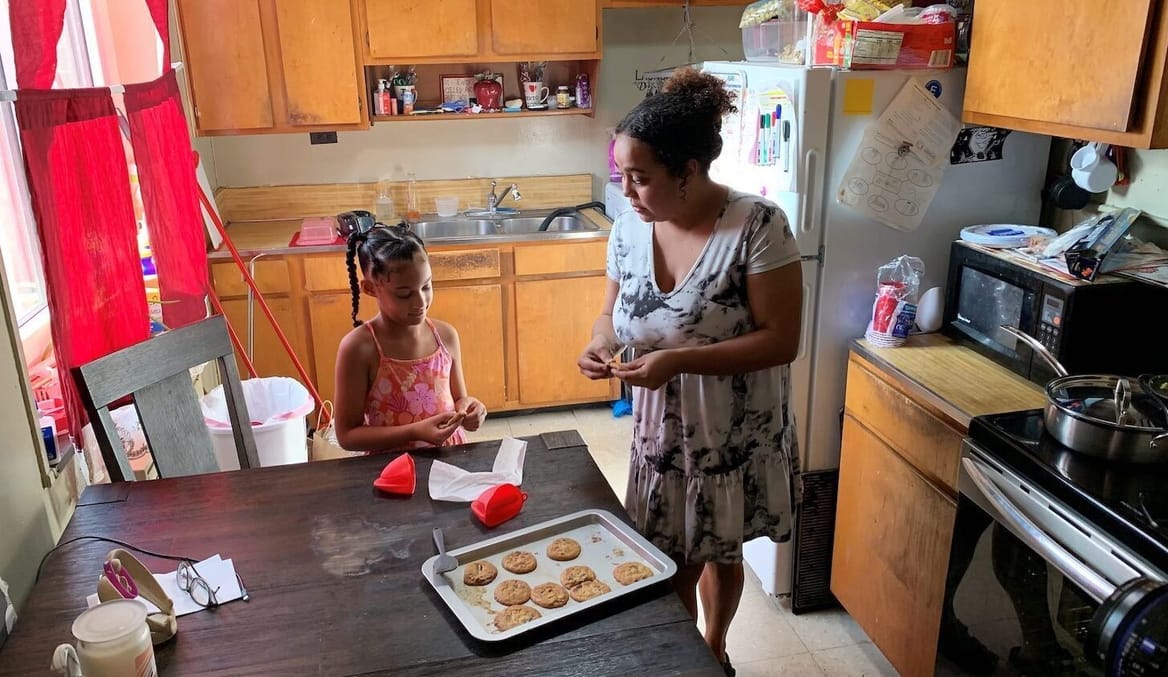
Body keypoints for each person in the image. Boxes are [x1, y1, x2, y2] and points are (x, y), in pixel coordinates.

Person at [577, 67, 803, 676]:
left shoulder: (758, 226)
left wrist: (679, 360)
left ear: (690, 171)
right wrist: (600, 344)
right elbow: (610, 312)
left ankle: (712, 650)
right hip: (659, 431)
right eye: (622, 173)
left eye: (640, 178)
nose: (625, 190)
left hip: (732, 428)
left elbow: (782, 341)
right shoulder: (628, 228)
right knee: (665, 553)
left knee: (718, 547)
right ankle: (677, 664)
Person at [334, 225, 486, 452]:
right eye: (404, 294)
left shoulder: (445, 336)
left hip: (447, 459)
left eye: (426, 286)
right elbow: (347, 435)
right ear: (370, 289)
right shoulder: (359, 348)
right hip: (391, 469)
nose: (420, 302)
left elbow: (459, 401)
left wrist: (470, 409)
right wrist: (414, 431)